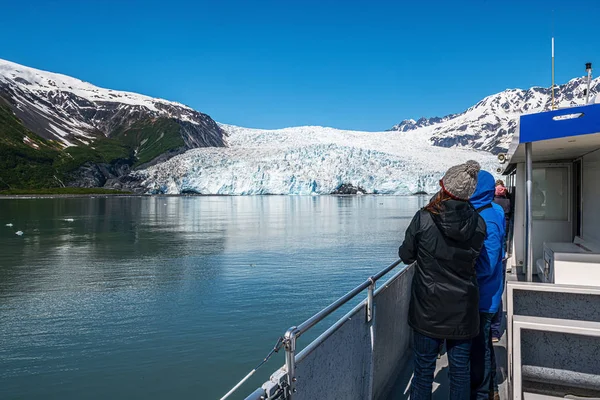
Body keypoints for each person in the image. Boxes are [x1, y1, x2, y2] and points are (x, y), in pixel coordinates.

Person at [399, 160, 486, 400]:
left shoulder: (424, 218)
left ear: (444, 187)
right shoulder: (479, 223)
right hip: (463, 309)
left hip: (428, 308)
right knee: (460, 372)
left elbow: (406, 256)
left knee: (424, 369)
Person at [469, 171, 505, 400]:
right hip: (489, 291)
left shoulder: (486, 217)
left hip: (484, 295)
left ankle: (483, 393)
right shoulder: (496, 210)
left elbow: (488, 262)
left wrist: (463, 275)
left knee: (479, 348)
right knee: (483, 346)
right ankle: (490, 389)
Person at [492, 183, 511, 342]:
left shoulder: (495, 208)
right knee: (496, 292)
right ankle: (494, 330)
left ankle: (492, 330)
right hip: (499, 255)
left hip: (493, 257)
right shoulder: (502, 207)